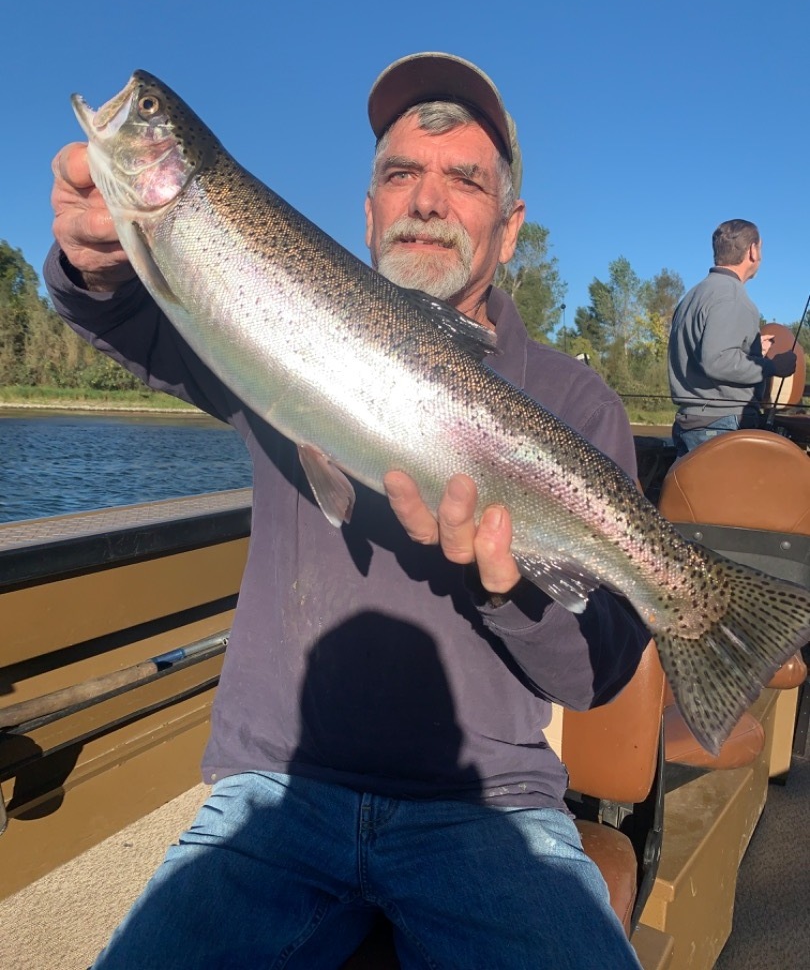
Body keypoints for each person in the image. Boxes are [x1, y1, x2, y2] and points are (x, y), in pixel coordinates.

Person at [47, 52, 648, 969]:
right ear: (368, 212)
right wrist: (93, 264)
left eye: (465, 180)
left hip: (491, 806)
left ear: (511, 226)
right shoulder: (267, 323)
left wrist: (507, 592)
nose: (427, 199)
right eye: (400, 174)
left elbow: (591, 675)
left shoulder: (579, 401)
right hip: (272, 792)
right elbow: (137, 311)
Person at [668, 218, 797, 457]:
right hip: (720, 426)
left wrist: (754, 347)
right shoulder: (732, 296)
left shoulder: (694, 295)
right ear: (752, 250)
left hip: (694, 423)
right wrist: (772, 366)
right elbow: (719, 360)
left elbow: (707, 351)